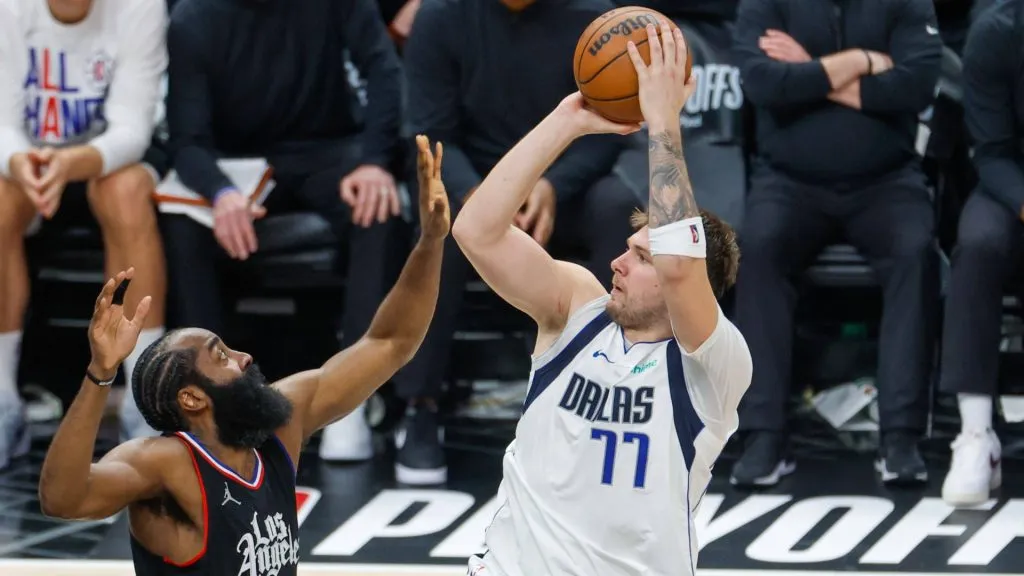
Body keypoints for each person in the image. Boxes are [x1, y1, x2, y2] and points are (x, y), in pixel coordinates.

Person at [36, 136, 450, 575]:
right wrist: (100, 372)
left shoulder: (280, 426)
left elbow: (390, 343)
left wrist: (429, 241)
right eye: (222, 355)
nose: (245, 356)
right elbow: (63, 499)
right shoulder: (165, 465)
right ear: (193, 399)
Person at [454, 23, 752, 576]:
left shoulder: (715, 366)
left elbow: (683, 270)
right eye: (627, 248)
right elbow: (476, 231)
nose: (618, 262)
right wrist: (568, 121)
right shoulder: (578, 310)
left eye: (643, 257)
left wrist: (663, 119)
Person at [396, 0, 636, 485]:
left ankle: (616, 395)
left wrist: (552, 186)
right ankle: (420, 408)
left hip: (562, 187)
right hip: (474, 190)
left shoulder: (592, 16)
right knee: (435, 227)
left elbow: (610, 130)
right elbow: (431, 129)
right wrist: (486, 200)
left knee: (616, 207)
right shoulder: (441, 16)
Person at [163, 0, 406, 462]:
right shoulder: (194, 17)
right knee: (182, 226)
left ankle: (348, 398)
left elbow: (383, 71)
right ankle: (211, 402)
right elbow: (186, 140)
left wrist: (375, 161)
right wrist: (219, 193)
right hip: (237, 162)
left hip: (328, 149)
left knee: (379, 209)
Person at [730, 0, 942, 486]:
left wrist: (807, 71)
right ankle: (762, 435)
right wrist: (863, 61)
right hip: (788, 181)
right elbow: (763, 83)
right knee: (759, 248)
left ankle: (901, 437)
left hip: (887, 180)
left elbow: (916, 85)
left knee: (915, 249)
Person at [0, 0, 169, 466]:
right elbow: (2, 123)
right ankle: (2, 405)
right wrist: (22, 162)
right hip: (26, 160)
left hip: (107, 159)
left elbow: (133, 127)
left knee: (126, 191)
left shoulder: (140, 6)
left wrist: (69, 163)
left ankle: (147, 400)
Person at [938, 0, 1020, 506]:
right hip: (1011, 181)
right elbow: (991, 151)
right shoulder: (995, 32)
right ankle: (975, 437)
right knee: (979, 244)